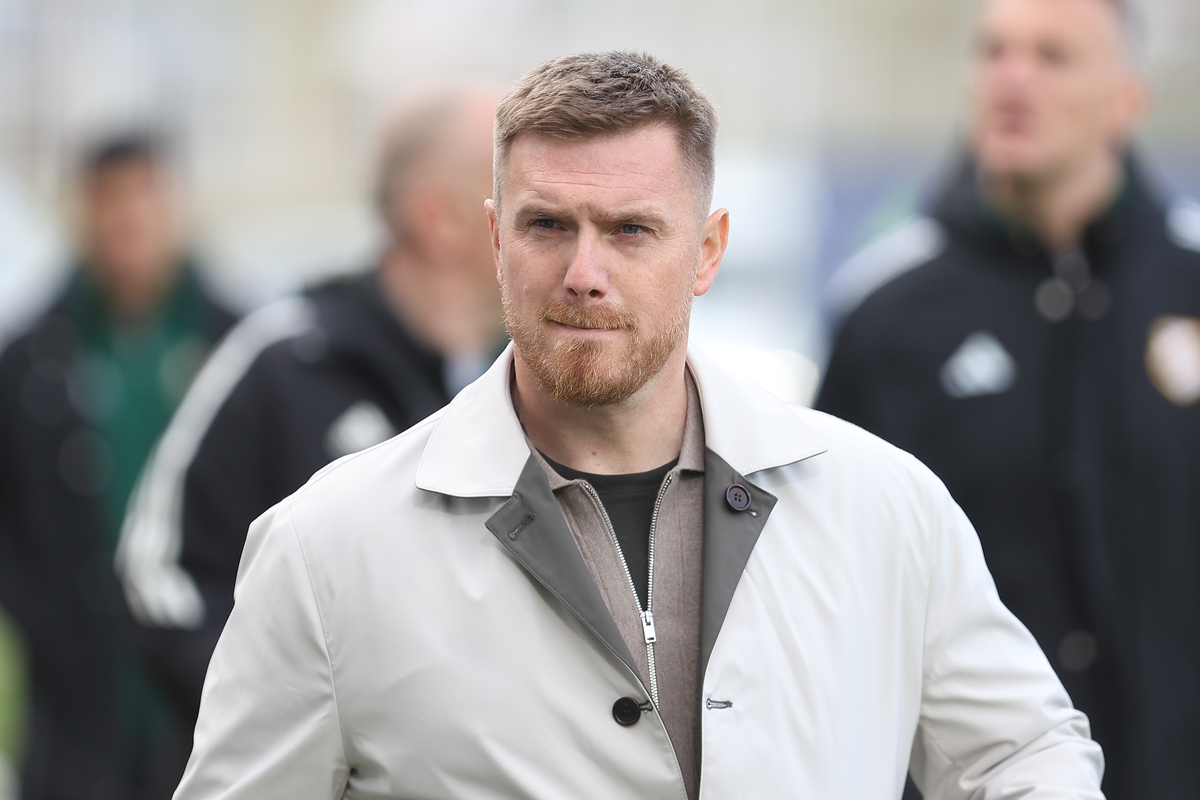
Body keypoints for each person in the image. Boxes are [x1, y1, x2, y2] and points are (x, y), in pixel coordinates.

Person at [173, 52, 1103, 799]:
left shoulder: (886, 509)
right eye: (547, 226)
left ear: (707, 251)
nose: (584, 274)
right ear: (495, 240)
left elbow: (1023, 755)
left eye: (629, 230)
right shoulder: (327, 550)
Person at [816, 0, 1200, 797]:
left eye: (1053, 56)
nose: (1012, 78)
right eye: (994, 51)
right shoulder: (885, 313)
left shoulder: (1188, 284)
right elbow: (828, 591)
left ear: (1125, 99)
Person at [115, 89, 505, 735]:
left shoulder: (528, 384)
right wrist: (297, 738)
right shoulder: (283, 362)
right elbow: (159, 576)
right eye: (527, 202)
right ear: (439, 218)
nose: (563, 233)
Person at [0, 133, 235, 799]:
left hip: (209, 698)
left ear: (176, 204)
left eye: (143, 197)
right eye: (107, 199)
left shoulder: (237, 347)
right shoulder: (30, 361)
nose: (125, 219)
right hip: (71, 711)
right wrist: (44, 620)